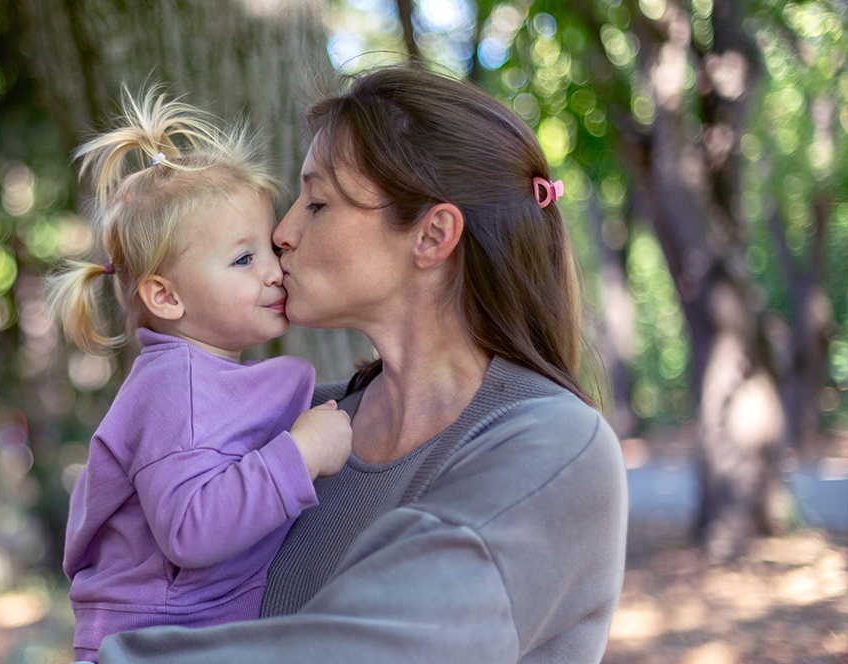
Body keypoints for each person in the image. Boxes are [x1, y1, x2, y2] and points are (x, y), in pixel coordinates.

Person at [90, 64, 628, 663]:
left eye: (317, 203)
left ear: (432, 235)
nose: (283, 233)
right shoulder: (299, 427)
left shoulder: (551, 445)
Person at [51, 89, 353, 663]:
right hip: (155, 641)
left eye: (267, 248)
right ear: (164, 296)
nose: (275, 269)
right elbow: (191, 529)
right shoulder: (176, 390)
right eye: (244, 260)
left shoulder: (202, 378)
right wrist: (301, 454)